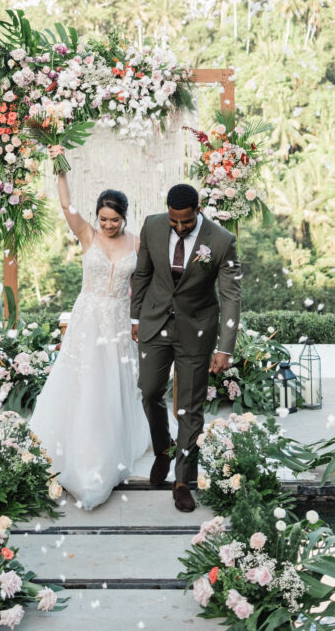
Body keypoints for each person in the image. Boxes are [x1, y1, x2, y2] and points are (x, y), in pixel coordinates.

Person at [29, 163, 150, 510]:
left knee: (114, 384)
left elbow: (143, 285)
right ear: (97, 217)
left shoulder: (138, 242)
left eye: (114, 219)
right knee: (85, 382)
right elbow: (66, 206)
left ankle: (108, 449)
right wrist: (61, 170)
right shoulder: (87, 235)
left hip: (117, 321)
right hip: (88, 319)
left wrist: (139, 319)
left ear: (124, 217)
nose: (108, 225)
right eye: (103, 219)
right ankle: (77, 451)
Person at [130, 183, 241, 513]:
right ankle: (163, 449)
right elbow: (143, 273)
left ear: (198, 210)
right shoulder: (151, 226)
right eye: (174, 221)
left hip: (197, 330)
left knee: (189, 407)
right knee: (149, 391)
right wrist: (136, 318)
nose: (179, 227)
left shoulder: (221, 241)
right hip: (154, 322)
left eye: (186, 222)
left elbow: (232, 296)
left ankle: (182, 479)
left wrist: (225, 347)